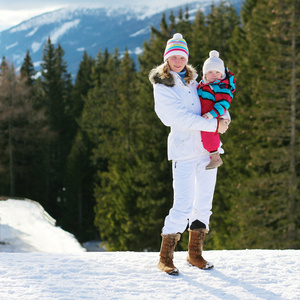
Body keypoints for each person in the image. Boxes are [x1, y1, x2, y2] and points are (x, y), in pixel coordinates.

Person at [149, 33, 230, 276]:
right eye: (173, 56)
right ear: (166, 59)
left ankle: (195, 254)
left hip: (207, 152)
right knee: (182, 206)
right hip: (183, 152)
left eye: (181, 56)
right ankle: (165, 257)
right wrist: (214, 126)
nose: (177, 60)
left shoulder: (195, 82)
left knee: (203, 205)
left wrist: (225, 118)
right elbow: (175, 118)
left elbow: (215, 102)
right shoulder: (163, 85)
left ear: (186, 58)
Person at [198, 50, 236, 169]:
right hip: (204, 113)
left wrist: (211, 114)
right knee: (206, 134)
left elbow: (223, 104)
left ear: (222, 75)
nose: (214, 74)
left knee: (209, 134)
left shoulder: (221, 87)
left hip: (212, 114)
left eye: (217, 72)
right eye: (210, 72)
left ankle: (215, 157)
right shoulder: (202, 85)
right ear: (204, 75)